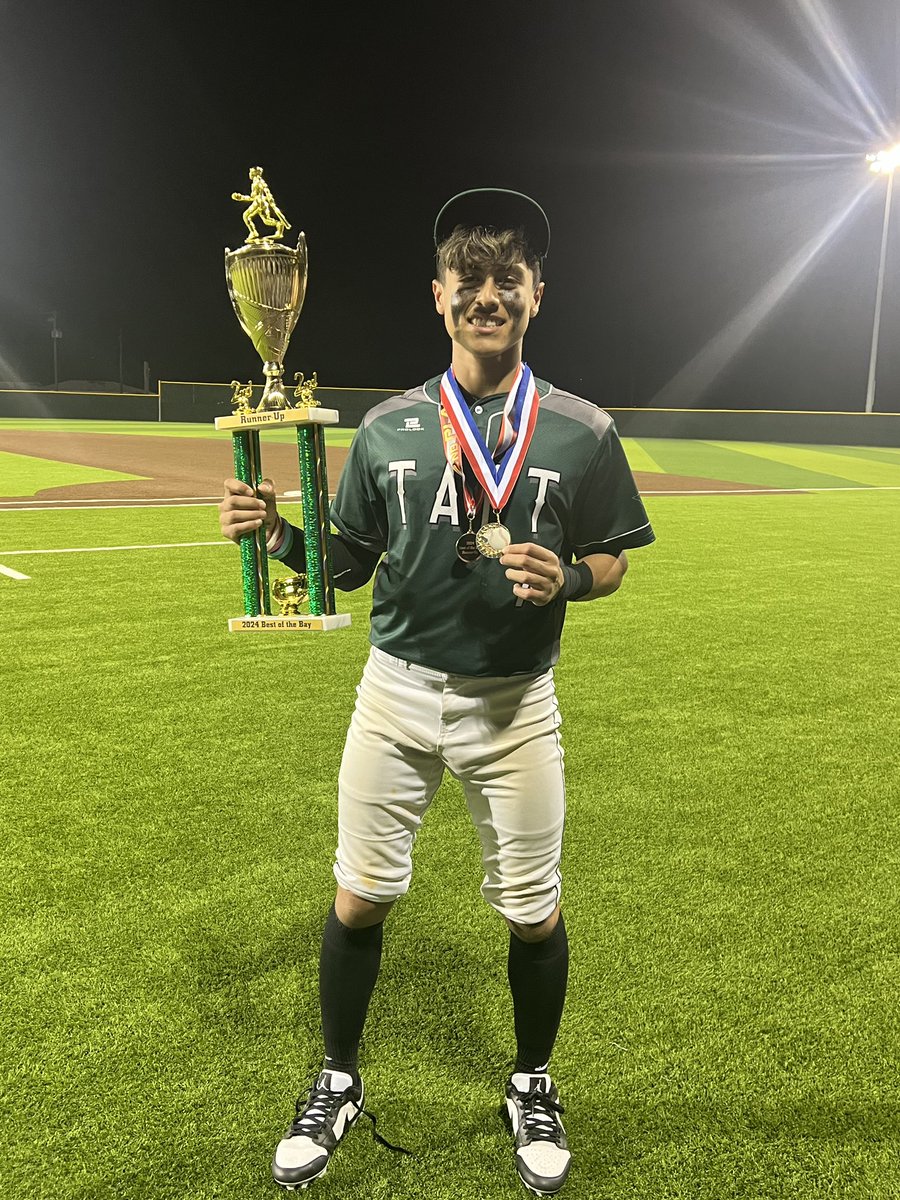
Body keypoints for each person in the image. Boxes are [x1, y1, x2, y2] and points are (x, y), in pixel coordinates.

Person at [218, 188, 656, 1196]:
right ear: (439, 296)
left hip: (516, 704)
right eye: (469, 281)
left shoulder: (584, 431)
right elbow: (347, 562)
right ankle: (336, 1080)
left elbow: (614, 559)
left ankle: (531, 1083)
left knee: (533, 913)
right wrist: (275, 533)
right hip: (398, 693)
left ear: (537, 295)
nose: (487, 296)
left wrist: (573, 577)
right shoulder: (387, 428)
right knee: (360, 895)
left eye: (508, 279)